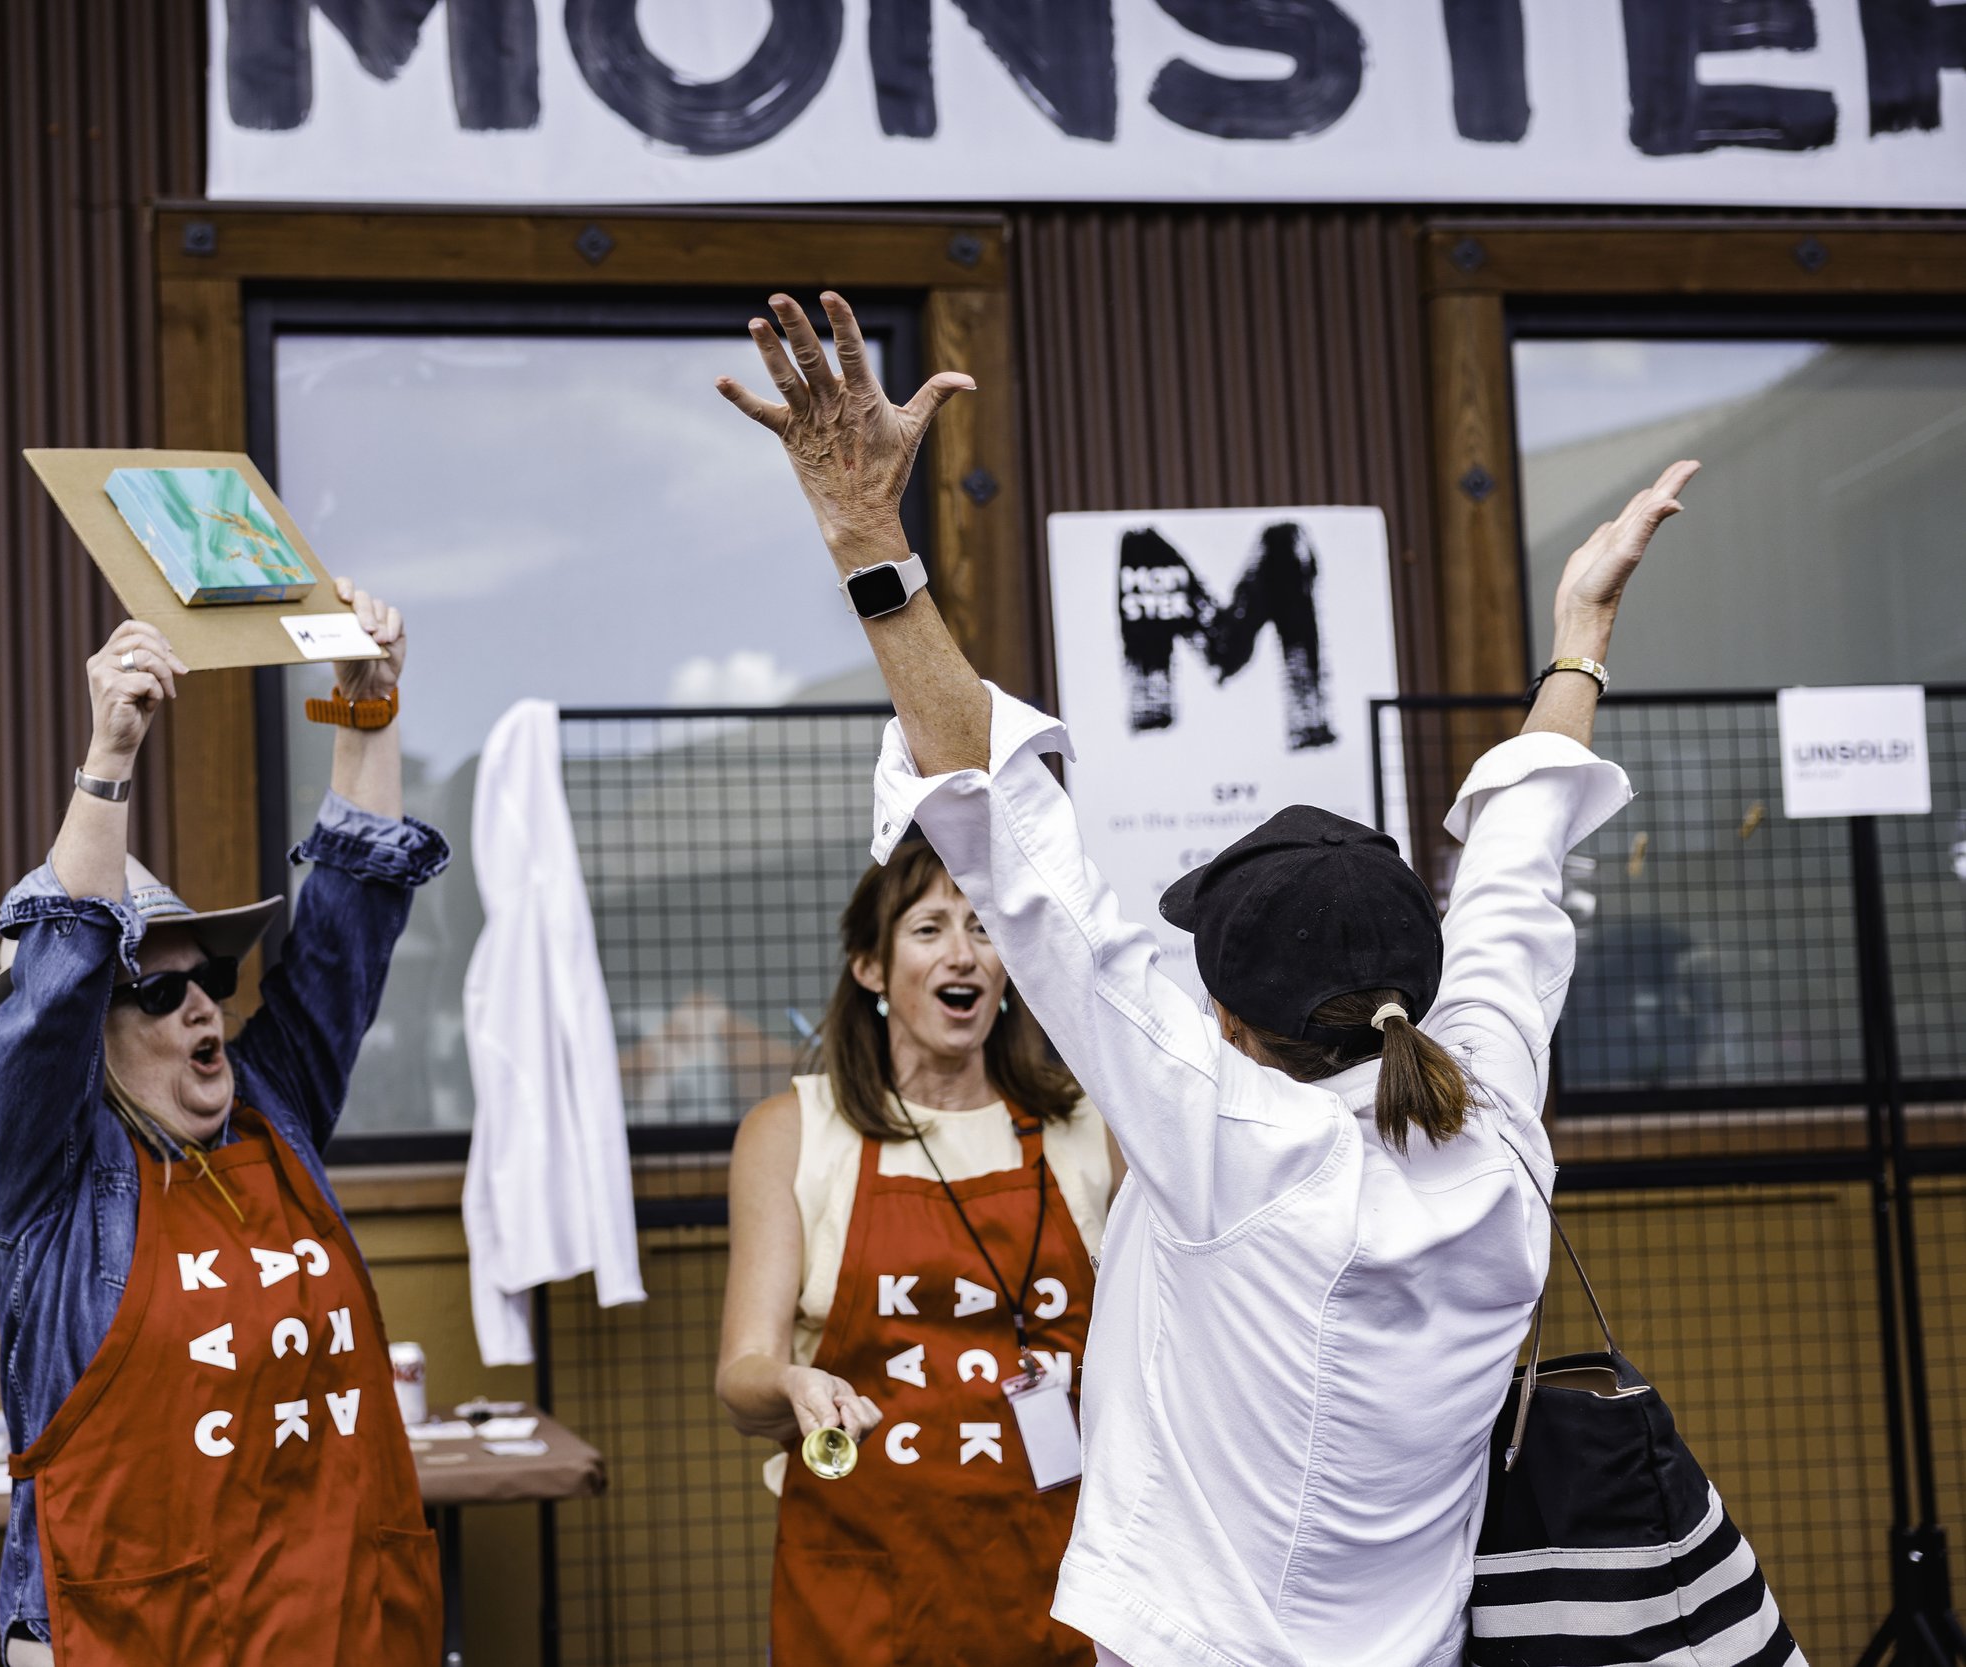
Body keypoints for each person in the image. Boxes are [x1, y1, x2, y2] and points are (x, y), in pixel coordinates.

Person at [719, 290, 1696, 1667]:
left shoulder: (1233, 1143)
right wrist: (1580, 636)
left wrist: (869, 538)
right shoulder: (1496, 1116)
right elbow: (1524, 861)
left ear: (1230, 1018)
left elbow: (1021, 854)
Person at [0, 581, 450, 1666]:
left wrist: (369, 706)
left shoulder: (274, 1104)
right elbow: (49, 995)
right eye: (151, 989)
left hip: (340, 1623)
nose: (201, 1005)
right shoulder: (48, 1180)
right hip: (139, 1637)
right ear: (87, 1030)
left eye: (211, 975)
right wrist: (112, 751)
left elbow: (348, 917)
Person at [718, 836, 1119, 1666]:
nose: (963, 951)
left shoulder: (1087, 1128)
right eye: (929, 928)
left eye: (982, 927)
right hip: (866, 1586)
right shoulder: (792, 1132)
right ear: (870, 965)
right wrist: (793, 1381)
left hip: (1061, 1573)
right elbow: (741, 1374)